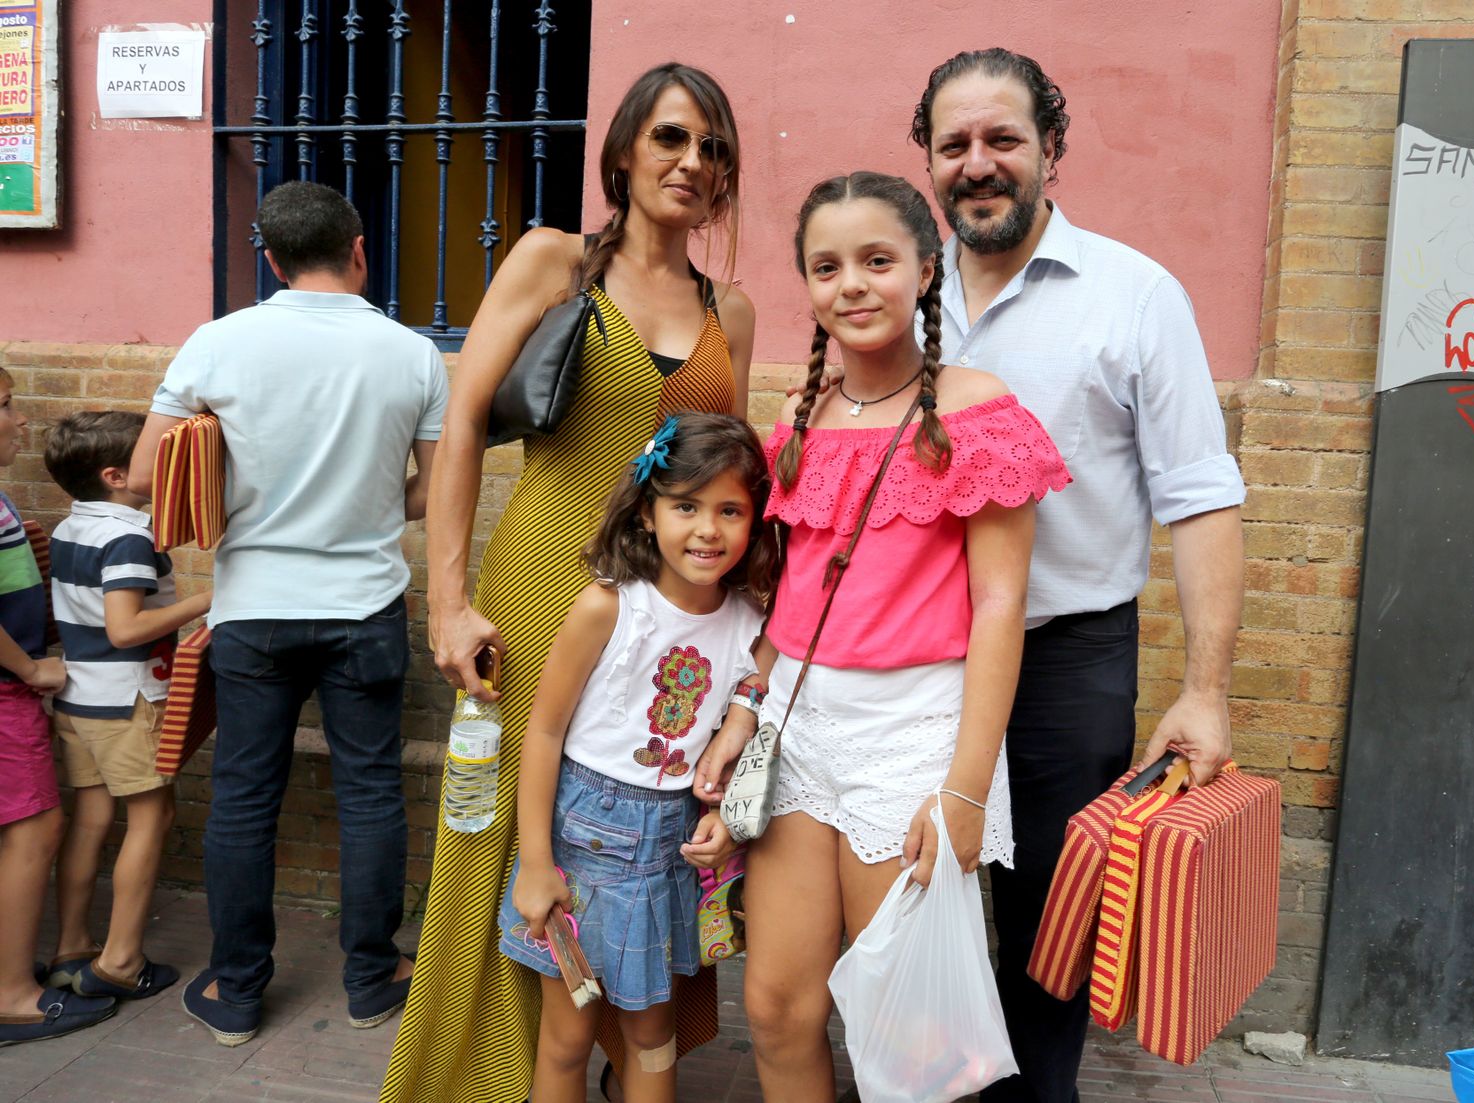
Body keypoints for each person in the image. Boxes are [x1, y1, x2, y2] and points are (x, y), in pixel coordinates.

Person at [385, 62, 754, 1103]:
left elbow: (728, 469)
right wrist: (448, 600)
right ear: (625, 149)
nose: (693, 162)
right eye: (673, 138)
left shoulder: (734, 306)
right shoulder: (554, 259)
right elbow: (461, 426)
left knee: (636, 828)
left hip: (667, 624)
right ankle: (487, 1072)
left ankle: (598, 1046)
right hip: (549, 584)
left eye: (713, 148)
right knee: (514, 824)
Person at [909, 48, 1247, 1102]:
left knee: (1049, 917)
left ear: (1052, 148)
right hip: (918, 659)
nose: (978, 164)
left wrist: (1205, 687)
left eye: (1001, 139)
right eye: (953, 144)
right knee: (916, 895)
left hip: (1069, 657)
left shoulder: (1135, 296)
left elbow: (1198, 495)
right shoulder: (899, 288)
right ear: (926, 158)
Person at [694, 171, 1069, 1102]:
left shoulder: (977, 412)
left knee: (908, 1036)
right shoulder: (795, 419)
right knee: (778, 1008)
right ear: (809, 287)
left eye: (876, 260)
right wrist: (746, 709)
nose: (852, 284)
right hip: (800, 731)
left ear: (925, 269)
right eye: (827, 267)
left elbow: (997, 609)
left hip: (915, 738)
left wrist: (966, 790)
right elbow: (792, 599)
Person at [128, 180, 448, 1046]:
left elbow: (150, 476)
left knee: (242, 796)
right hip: (365, 605)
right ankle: (372, 979)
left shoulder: (216, 343)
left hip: (252, 611)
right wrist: (369, 496)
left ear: (268, 259)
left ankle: (236, 992)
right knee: (373, 793)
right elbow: (426, 495)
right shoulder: (413, 354)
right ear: (358, 250)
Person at [502, 412, 772, 1103]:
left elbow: (758, 682)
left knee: (653, 1039)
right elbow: (543, 732)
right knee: (565, 1038)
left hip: (673, 845)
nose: (707, 529)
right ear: (648, 512)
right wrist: (536, 863)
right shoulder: (608, 606)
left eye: (730, 509)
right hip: (585, 843)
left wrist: (722, 810)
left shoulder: (749, 619)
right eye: (686, 505)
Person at [42, 411, 211, 1001]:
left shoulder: (72, 527)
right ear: (117, 475)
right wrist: (208, 600)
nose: (160, 469)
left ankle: (70, 948)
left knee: (91, 820)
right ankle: (120, 959)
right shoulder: (128, 537)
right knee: (151, 817)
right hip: (127, 699)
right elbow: (125, 629)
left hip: (76, 699)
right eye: (152, 459)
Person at [0, 370, 121, 1046]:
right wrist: (30, 666)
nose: (19, 420)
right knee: (36, 828)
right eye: (7, 406)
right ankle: (13, 993)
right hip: (7, 690)